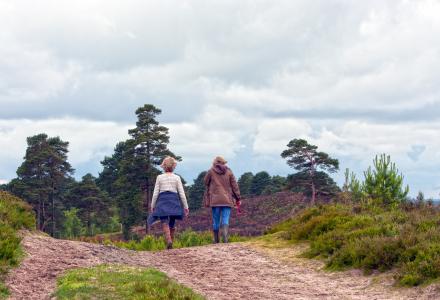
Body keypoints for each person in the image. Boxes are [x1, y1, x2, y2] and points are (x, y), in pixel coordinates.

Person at [149, 156, 189, 249]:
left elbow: (155, 193)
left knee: (164, 221)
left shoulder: (159, 177)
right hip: (173, 200)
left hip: (162, 200)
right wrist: (186, 207)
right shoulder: (177, 178)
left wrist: (153, 205)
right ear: (173, 166)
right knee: (172, 222)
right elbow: (182, 193)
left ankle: (169, 240)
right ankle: (171, 243)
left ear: (164, 166)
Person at [204, 156, 241, 243]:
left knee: (216, 220)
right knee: (225, 219)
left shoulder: (211, 171)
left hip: (215, 200)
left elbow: (205, 182)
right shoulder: (229, 171)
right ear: (223, 162)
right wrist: (238, 197)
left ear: (215, 162)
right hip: (227, 199)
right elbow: (234, 186)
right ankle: (225, 236)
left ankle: (216, 240)